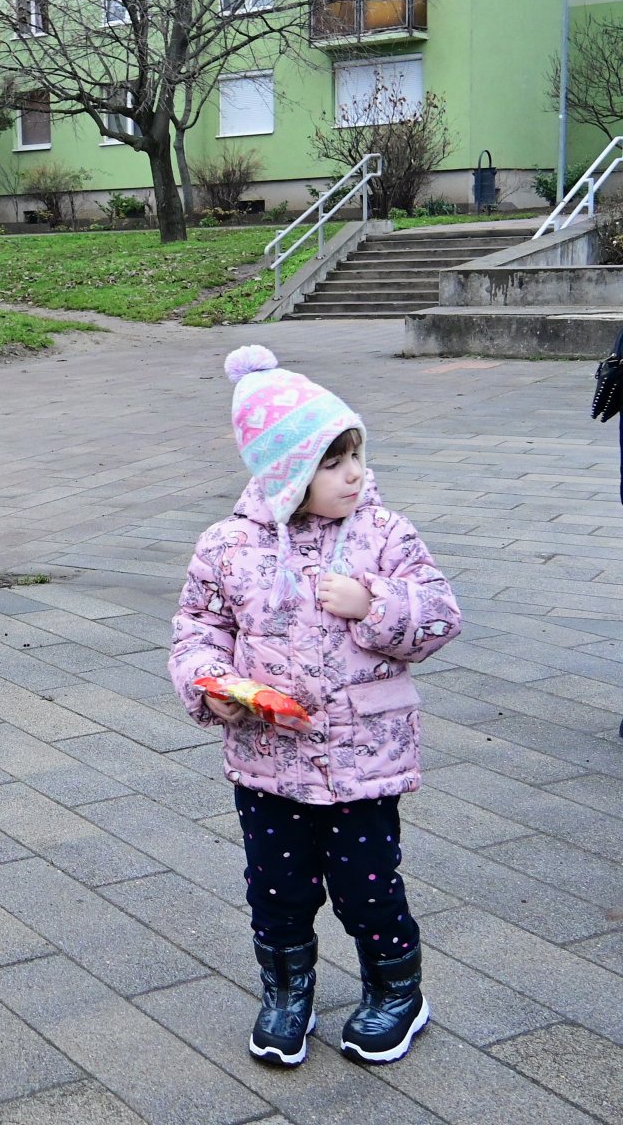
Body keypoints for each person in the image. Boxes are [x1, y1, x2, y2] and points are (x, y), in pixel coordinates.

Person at [170, 345, 461, 1069]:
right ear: (286, 473)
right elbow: (197, 633)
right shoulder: (227, 547)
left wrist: (377, 606)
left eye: (356, 454)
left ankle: (397, 992)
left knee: (368, 888)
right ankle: (287, 991)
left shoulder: (386, 535)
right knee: (278, 889)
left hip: (364, 760)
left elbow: (440, 615)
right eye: (332, 463)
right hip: (268, 763)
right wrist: (214, 687)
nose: (354, 475)